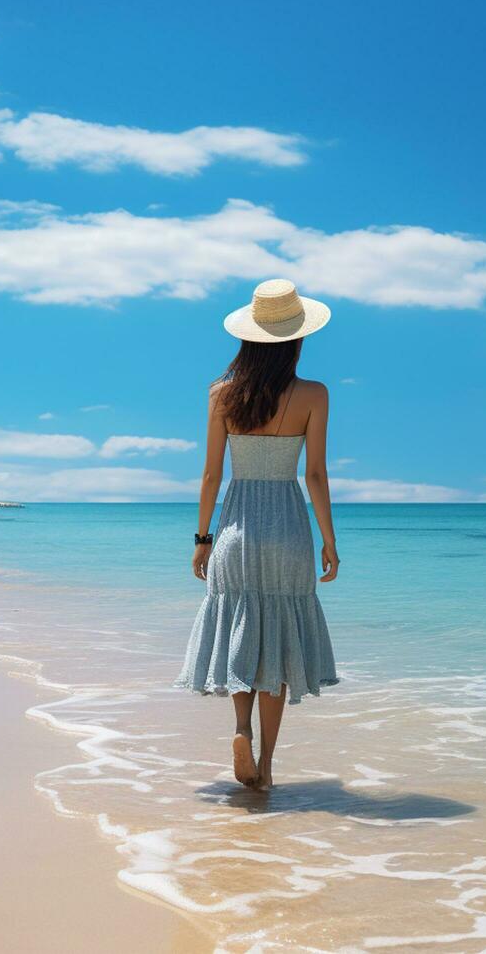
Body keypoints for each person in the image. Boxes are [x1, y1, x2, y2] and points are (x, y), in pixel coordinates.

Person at [175, 279, 340, 790]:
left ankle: (240, 728)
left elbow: (210, 476)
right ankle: (266, 769)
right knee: (281, 641)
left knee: (240, 629)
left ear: (247, 339)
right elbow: (315, 475)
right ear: (297, 339)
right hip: (289, 526)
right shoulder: (313, 394)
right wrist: (329, 540)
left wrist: (202, 538)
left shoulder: (222, 393)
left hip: (237, 528)